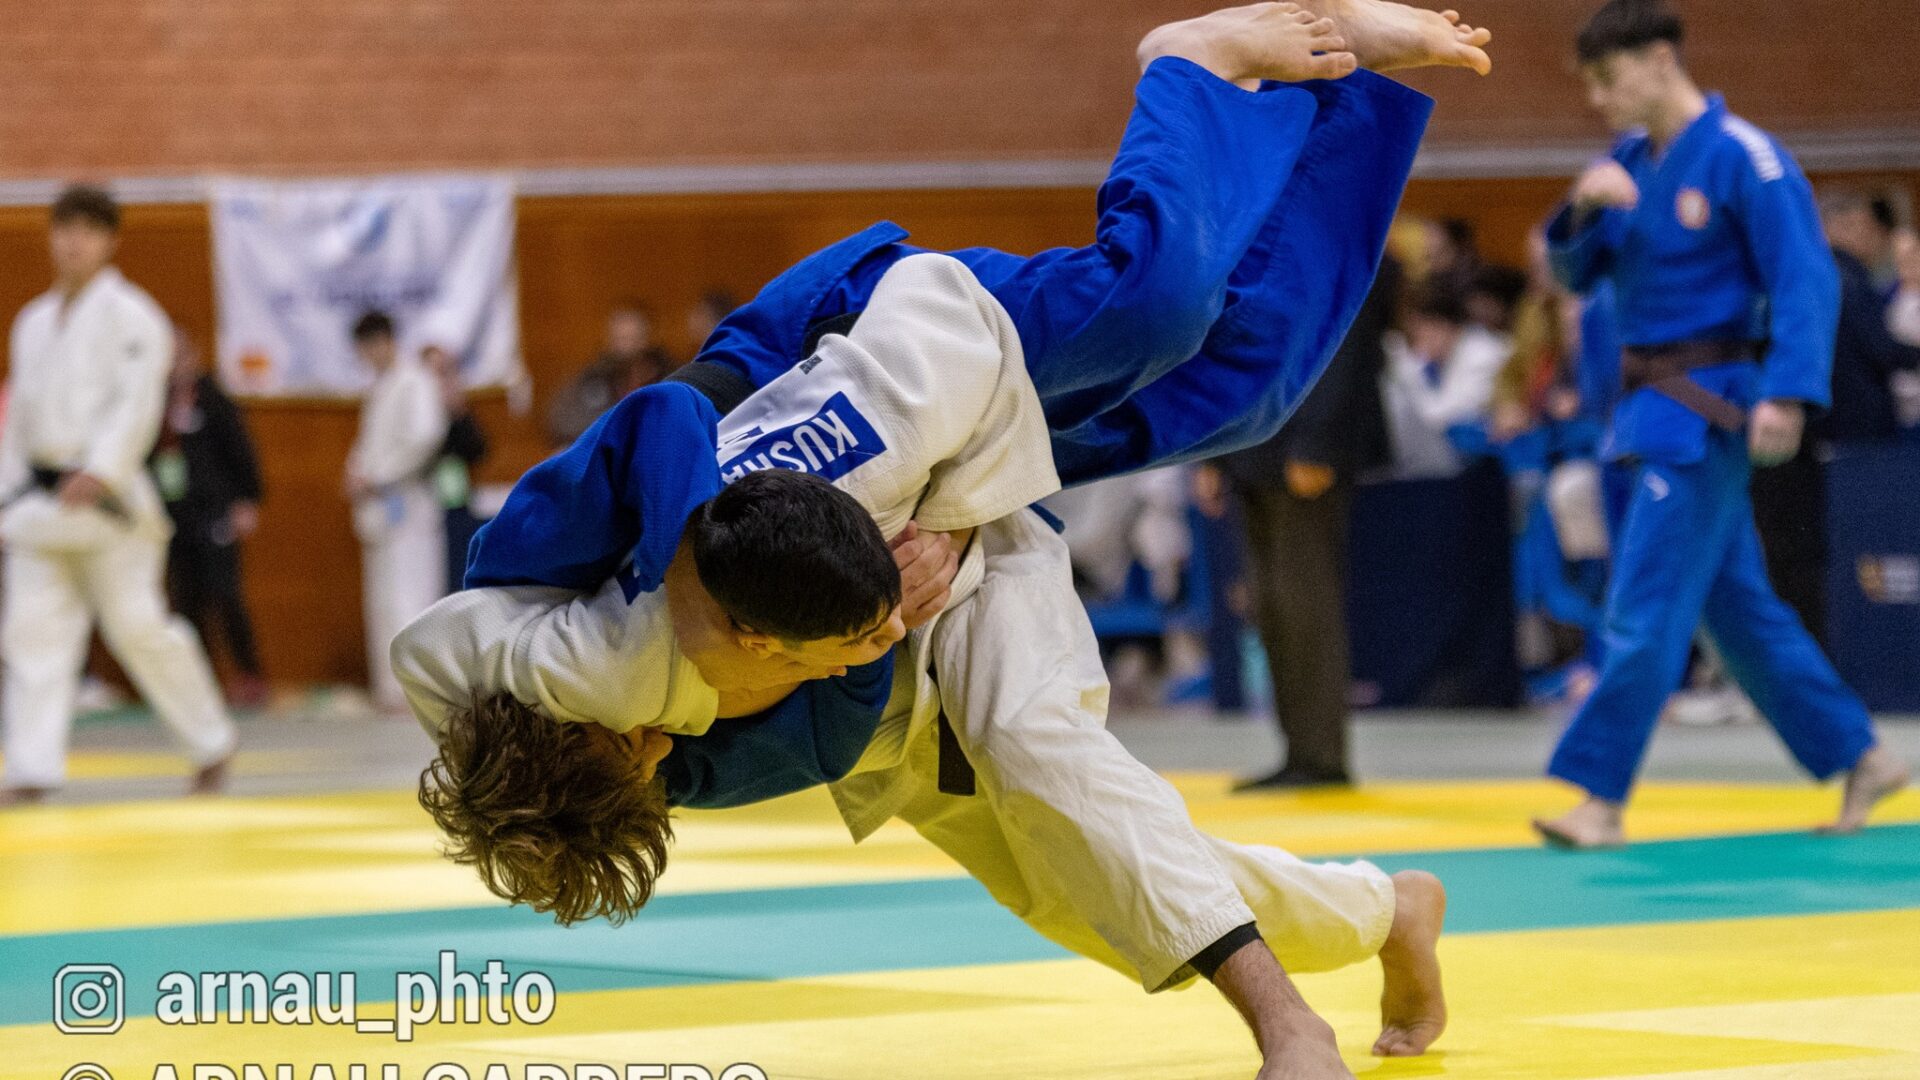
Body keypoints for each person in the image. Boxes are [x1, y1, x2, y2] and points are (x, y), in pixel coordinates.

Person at [402, 7, 1493, 1076]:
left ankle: (1190, 68)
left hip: (838, 370)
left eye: (631, 755)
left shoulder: (543, 588)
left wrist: (708, 549)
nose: (661, 766)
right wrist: (875, 621)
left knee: (1150, 312)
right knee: (1092, 874)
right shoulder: (641, 754)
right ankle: (1385, 909)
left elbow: (674, 417)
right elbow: (825, 729)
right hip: (890, 632)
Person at [1532, 0, 1910, 849]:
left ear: (1661, 58)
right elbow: (1573, 270)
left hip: (1708, 410)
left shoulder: (1746, 155)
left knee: (1644, 604)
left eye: (1609, 76)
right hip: (1649, 409)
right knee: (1736, 612)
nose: (1599, 98)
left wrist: (1789, 391)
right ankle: (1863, 756)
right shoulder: (1625, 164)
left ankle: (1598, 796)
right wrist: (1584, 212)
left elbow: (1805, 278)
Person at [0, 185, 238, 804]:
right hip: (41, 505)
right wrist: (6, 491)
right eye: (64, 228)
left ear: (110, 241)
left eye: (88, 230)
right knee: (30, 633)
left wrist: (104, 468)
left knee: (139, 629)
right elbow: (18, 418)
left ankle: (211, 742)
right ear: (51, 236)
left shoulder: (134, 315)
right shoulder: (31, 322)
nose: (74, 241)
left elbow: (138, 404)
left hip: (109, 503)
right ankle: (31, 767)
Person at [1215, 256, 1400, 789]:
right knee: (1269, 602)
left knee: (1305, 603)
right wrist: (1211, 453)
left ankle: (1321, 755)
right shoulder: (1253, 230)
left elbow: (1347, 341)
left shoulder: (1337, 230)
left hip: (1305, 443)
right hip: (1249, 442)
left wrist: (1319, 440)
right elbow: (1225, 340)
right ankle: (1298, 750)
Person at [153, 327, 269, 708]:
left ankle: (251, 675)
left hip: (215, 512)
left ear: (194, 354)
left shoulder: (214, 398)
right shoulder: (156, 401)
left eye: (181, 353)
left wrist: (246, 500)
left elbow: (241, 450)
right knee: (185, 602)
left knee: (225, 594)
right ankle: (198, 681)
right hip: (174, 516)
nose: (175, 362)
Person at [345, 311, 450, 713]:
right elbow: (369, 446)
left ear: (384, 341)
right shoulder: (382, 386)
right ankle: (391, 692)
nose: (367, 355)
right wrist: (357, 473)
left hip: (410, 506)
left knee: (412, 599)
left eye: (370, 346)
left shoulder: (415, 381)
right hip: (382, 509)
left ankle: (418, 692)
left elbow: (425, 437)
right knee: (385, 602)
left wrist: (378, 475)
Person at [1379, 281, 1509, 478]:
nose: (1419, 340)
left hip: (1494, 466)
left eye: (1423, 331)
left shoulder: (1483, 355)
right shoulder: (1443, 360)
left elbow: (1441, 418)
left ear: (1444, 325)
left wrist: (1410, 376)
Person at [545, 301, 674, 447]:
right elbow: (559, 419)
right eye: (619, 339)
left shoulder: (671, 378)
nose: (625, 347)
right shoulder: (593, 376)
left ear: (648, 338)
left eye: (632, 338)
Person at [420, 344, 491, 595]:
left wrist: (458, 412)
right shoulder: (416, 413)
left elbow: (478, 451)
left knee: (457, 571)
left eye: (446, 372)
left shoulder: (457, 413)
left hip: (454, 501)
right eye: (435, 372)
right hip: (420, 503)